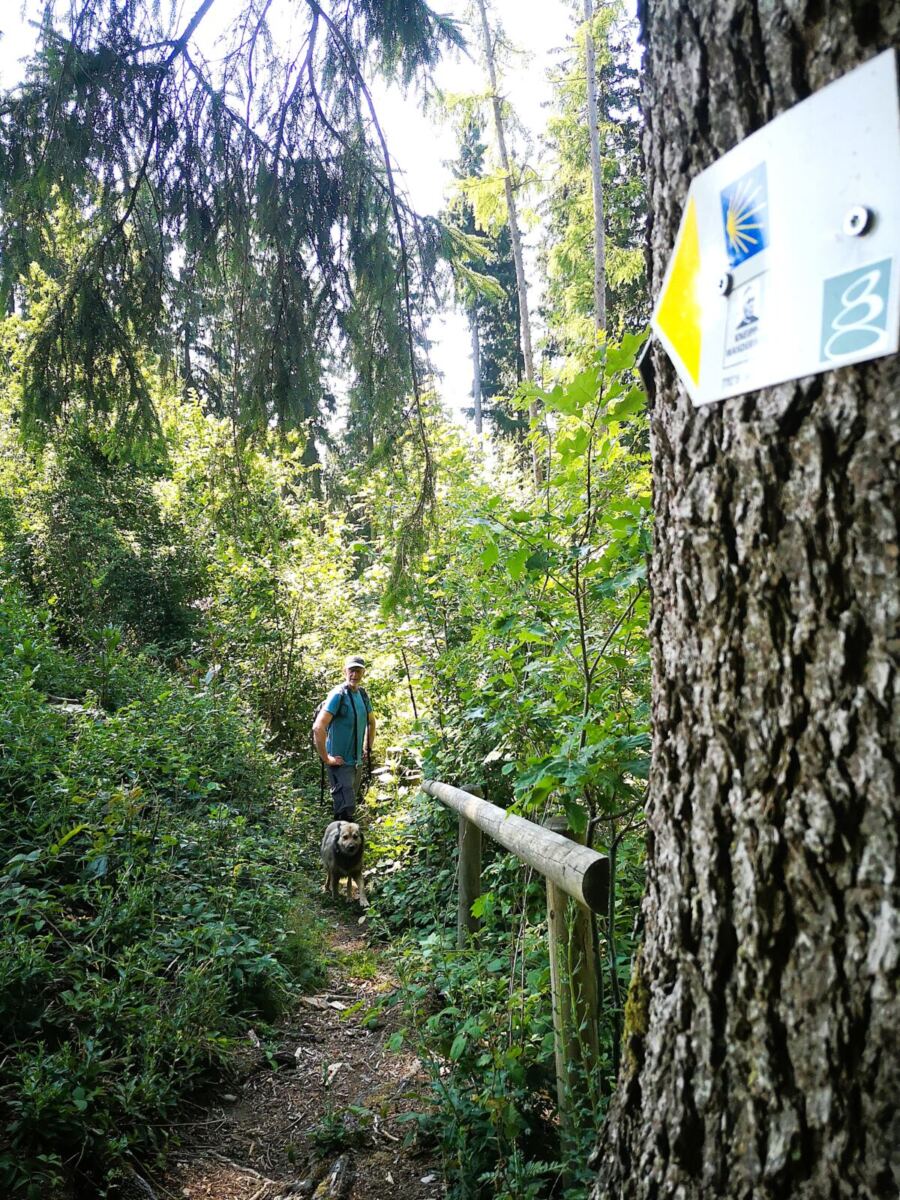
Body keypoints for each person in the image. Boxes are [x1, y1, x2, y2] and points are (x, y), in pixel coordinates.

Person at [313, 655, 376, 822]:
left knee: (349, 809)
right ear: (344, 671)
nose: (354, 675)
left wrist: (367, 747)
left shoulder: (362, 694)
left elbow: (371, 722)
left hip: (356, 763)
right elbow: (318, 727)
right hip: (340, 764)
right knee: (345, 813)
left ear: (363, 673)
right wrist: (327, 758)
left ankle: (343, 837)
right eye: (351, 670)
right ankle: (339, 838)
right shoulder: (338, 695)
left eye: (358, 671)